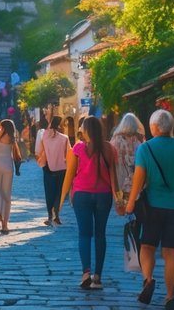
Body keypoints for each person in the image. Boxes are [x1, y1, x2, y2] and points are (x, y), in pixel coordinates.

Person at [124, 109, 174, 310]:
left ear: (154, 127)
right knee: (171, 250)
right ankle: (170, 296)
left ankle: (148, 280)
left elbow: (138, 180)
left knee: (147, 246)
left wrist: (130, 203)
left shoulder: (145, 148)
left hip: (152, 207)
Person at [61, 116, 120, 290]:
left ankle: (86, 272)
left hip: (82, 195)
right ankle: (98, 277)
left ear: (86, 131)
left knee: (84, 234)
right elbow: (113, 176)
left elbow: (69, 175)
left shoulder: (78, 148)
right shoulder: (109, 148)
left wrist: (61, 199)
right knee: (100, 234)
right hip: (104, 195)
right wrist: (118, 198)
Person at [110, 112, 146, 216]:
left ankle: (124, 212)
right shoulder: (139, 139)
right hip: (136, 178)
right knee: (137, 204)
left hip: (119, 177)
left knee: (122, 204)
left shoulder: (115, 139)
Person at [37, 116, 70, 226]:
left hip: (47, 167)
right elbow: (68, 154)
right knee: (59, 192)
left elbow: (38, 151)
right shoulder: (64, 138)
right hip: (61, 168)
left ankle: (50, 216)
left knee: (49, 192)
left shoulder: (44, 136)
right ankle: (57, 215)